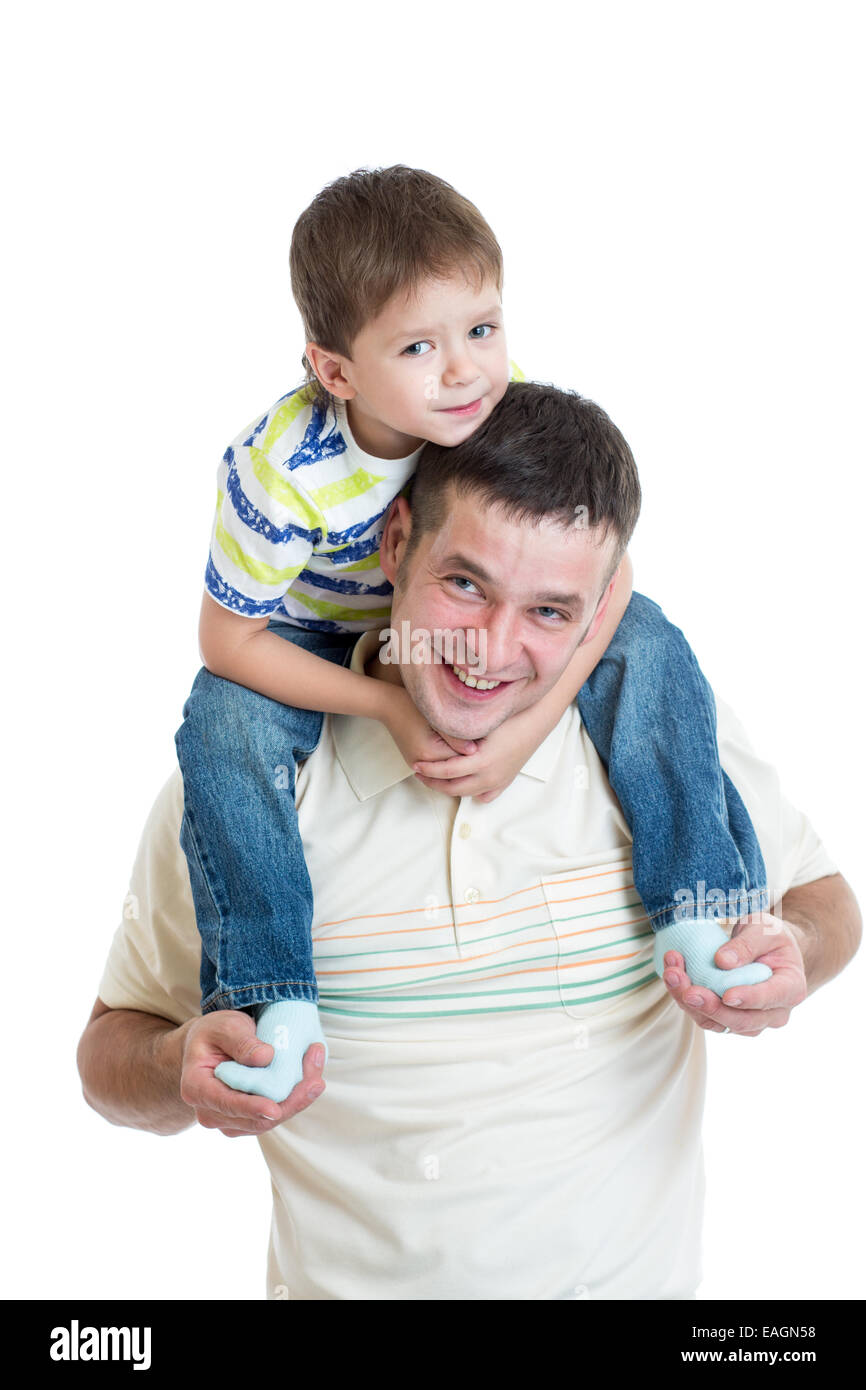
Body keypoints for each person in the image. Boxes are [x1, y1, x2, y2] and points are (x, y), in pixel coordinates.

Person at [78, 382, 860, 1299]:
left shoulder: (659, 737)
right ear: (397, 542)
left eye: (550, 613)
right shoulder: (244, 793)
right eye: (465, 584)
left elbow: (822, 902)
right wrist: (178, 1068)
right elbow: (108, 1057)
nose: (492, 649)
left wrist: (792, 950)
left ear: (600, 607)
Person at [174, 166, 770, 1103]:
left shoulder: (496, 410)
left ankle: (701, 904)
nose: (464, 369)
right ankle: (268, 997)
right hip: (315, 639)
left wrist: (527, 728)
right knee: (223, 727)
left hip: (464, 610)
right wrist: (386, 706)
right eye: (418, 346)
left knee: (647, 641)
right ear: (335, 371)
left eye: (483, 330)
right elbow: (227, 642)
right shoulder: (279, 475)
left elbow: (607, 579)